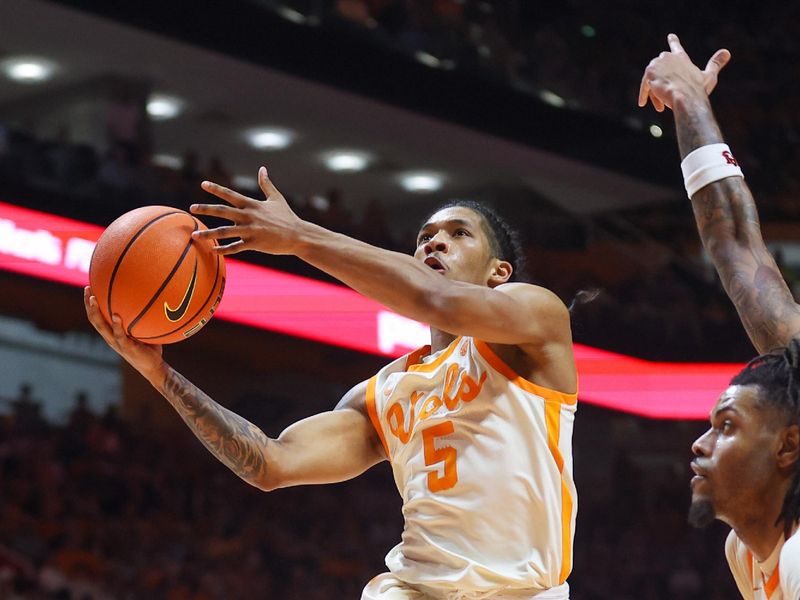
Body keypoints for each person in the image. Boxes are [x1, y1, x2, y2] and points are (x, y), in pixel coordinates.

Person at [84, 167, 578, 600]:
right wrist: (159, 373)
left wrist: (299, 237)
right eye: (425, 234)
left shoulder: (536, 321)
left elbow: (439, 301)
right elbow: (273, 463)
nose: (434, 241)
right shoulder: (384, 393)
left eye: (459, 233)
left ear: (500, 273)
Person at [639, 34, 800, 598]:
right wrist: (689, 106)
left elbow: (736, 240)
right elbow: (730, 241)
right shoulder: (747, 549)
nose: (699, 444)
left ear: (787, 447)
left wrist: (690, 101)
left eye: (726, 427)